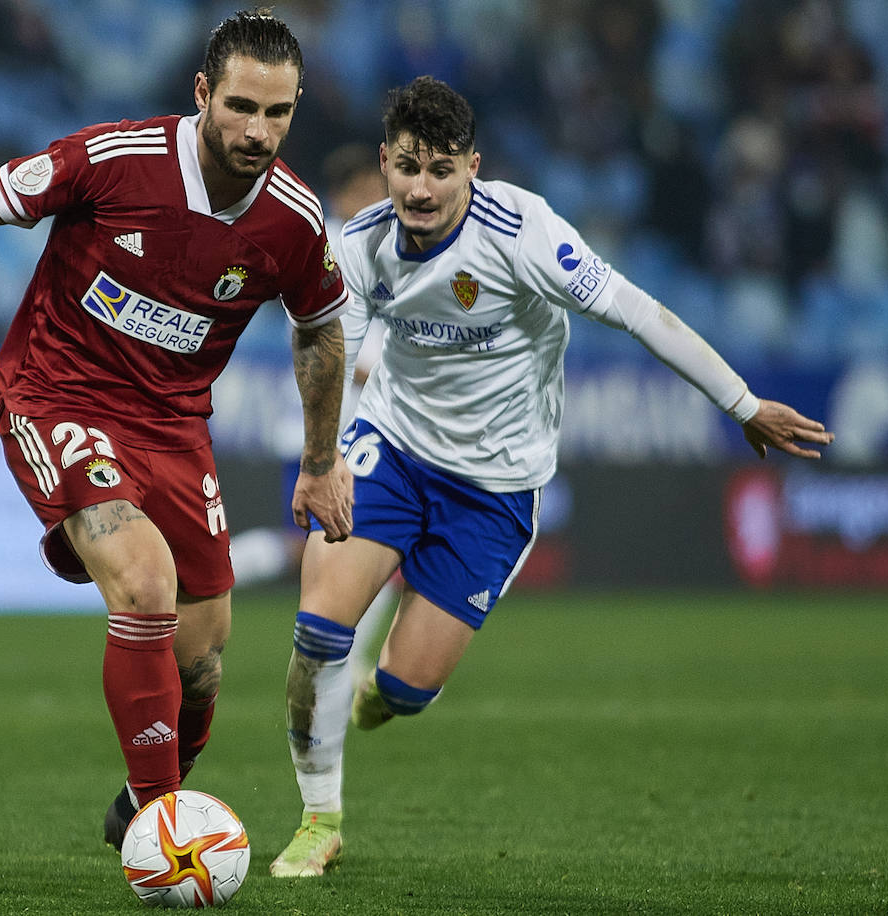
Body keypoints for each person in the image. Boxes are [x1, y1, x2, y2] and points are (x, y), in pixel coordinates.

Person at [269, 76, 834, 878]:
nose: (419, 189)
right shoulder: (359, 244)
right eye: (405, 168)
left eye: (439, 170)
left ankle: (381, 694)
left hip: (495, 489)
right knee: (321, 631)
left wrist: (741, 404)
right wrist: (321, 462)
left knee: (407, 688)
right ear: (387, 165)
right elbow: (331, 357)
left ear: (473, 165)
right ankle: (318, 821)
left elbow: (639, 314)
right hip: (391, 449)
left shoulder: (523, 232)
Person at [0, 9, 353, 849]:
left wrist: (319, 459)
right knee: (145, 583)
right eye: (241, 107)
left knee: (202, 663)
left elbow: (322, 327)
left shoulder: (294, 222)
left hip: (174, 428)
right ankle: (164, 833)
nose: (258, 132)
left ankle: (141, 797)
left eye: (278, 113)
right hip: (59, 397)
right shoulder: (115, 159)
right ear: (202, 94)